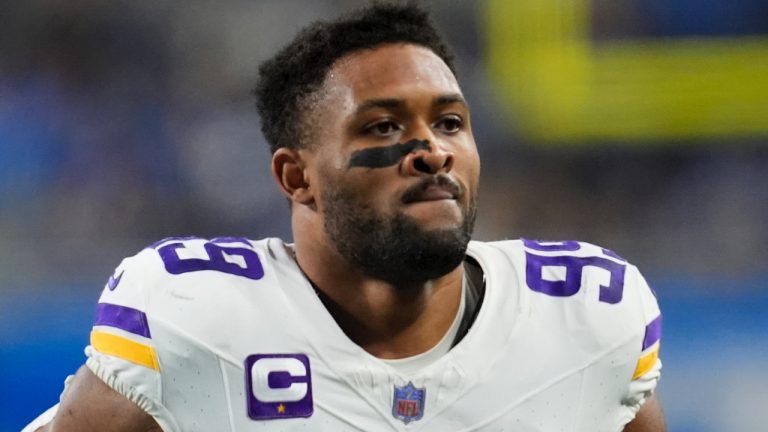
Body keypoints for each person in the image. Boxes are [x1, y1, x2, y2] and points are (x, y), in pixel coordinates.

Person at [24, 3, 664, 431]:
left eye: (450, 123)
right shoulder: (194, 315)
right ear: (296, 177)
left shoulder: (589, 317)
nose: (432, 151)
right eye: (384, 126)